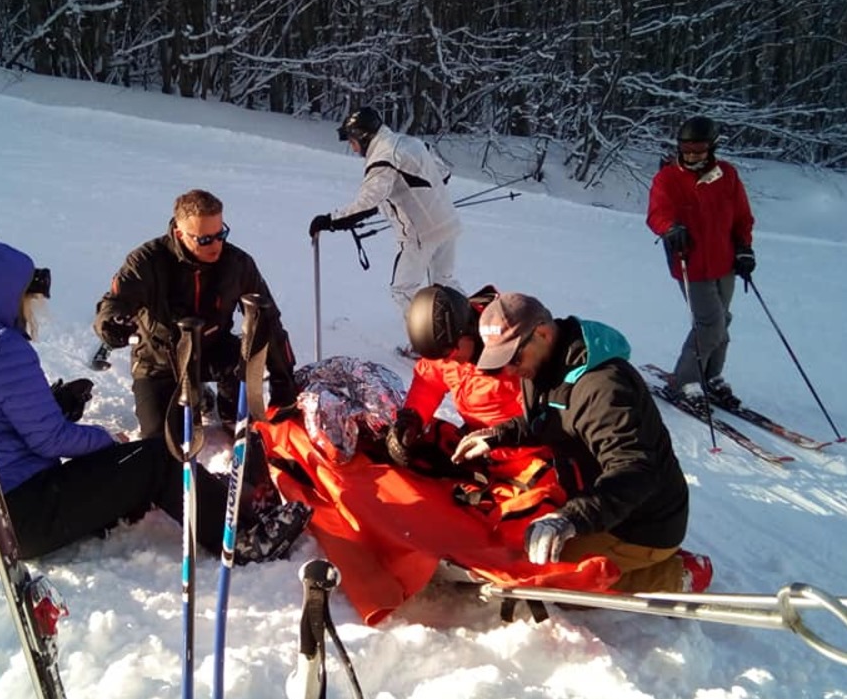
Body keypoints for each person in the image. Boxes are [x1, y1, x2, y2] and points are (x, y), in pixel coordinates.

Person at [0, 236, 311, 562]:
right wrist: (108, 441)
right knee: (156, 458)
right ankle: (240, 538)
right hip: (19, 514)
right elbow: (50, 441)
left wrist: (55, 403)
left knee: (128, 467)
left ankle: (186, 499)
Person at [450, 293, 712, 593]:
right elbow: (550, 419)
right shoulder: (547, 363)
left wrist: (571, 518)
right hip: (606, 504)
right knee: (525, 544)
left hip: (641, 524)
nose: (509, 371)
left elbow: (635, 471)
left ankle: (677, 574)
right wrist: (499, 435)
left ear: (543, 333)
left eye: (514, 358)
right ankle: (627, 555)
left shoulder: (603, 387)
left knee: (544, 578)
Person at [92, 189, 298, 438]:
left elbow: (268, 320)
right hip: (160, 360)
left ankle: (231, 416)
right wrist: (112, 325)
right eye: (204, 239)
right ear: (180, 233)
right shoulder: (147, 261)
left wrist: (283, 381)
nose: (216, 245)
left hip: (212, 349)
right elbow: (114, 303)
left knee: (239, 358)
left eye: (220, 234)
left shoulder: (237, 264)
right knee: (162, 442)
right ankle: (191, 399)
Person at [309, 106, 463, 316]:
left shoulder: (383, 158)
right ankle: (472, 328)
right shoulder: (412, 143)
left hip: (420, 236)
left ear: (364, 137)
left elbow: (367, 203)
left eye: (353, 142)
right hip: (448, 223)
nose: (353, 149)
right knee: (444, 284)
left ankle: (428, 342)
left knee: (402, 291)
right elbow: (443, 174)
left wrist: (329, 221)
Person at [647, 116, 755, 407]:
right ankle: (686, 380)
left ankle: (711, 375)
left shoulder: (727, 175)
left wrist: (745, 248)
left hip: (725, 261)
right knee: (710, 323)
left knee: (723, 321)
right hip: (690, 262)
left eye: (699, 149)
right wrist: (670, 228)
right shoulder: (668, 177)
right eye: (687, 148)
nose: (692, 155)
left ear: (712, 147)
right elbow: (657, 213)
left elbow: (742, 217)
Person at [385, 284, 525, 473]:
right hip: (476, 444)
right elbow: (429, 381)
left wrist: (498, 441)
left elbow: (545, 418)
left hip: (522, 455)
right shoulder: (447, 341)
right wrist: (412, 417)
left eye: (448, 354)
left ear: (468, 331)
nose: (447, 361)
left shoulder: (513, 354)